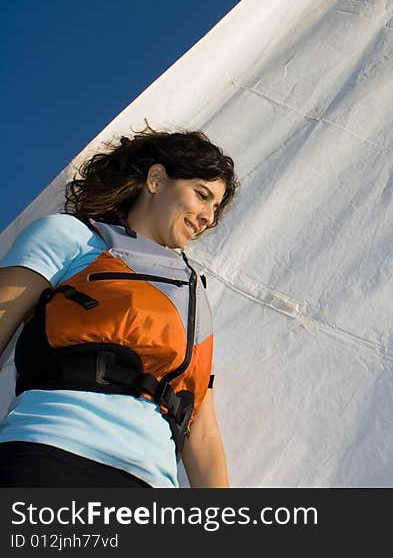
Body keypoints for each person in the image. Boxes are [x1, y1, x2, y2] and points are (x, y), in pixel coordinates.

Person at [0, 127, 238, 487]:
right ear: (156, 179)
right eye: (201, 195)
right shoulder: (71, 237)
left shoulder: (193, 295)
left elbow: (201, 428)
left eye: (215, 208)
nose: (208, 216)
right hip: (49, 453)